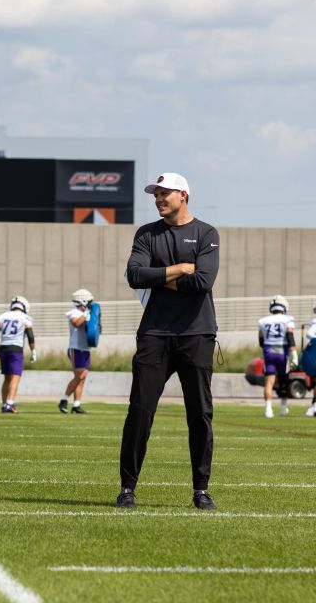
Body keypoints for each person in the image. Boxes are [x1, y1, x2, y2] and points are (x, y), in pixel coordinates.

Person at [119, 171, 219, 511]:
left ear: (184, 196)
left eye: (166, 193)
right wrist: (178, 270)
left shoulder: (206, 233)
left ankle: (201, 490)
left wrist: (160, 278)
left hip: (197, 334)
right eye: (156, 194)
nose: (159, 199)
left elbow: (203, 282)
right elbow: (134, 276)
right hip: (154, 334)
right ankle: (127, 488)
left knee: (200, 415)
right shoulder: (147, 234)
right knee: (140, 412)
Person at [0, 296, 36, 413]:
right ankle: (9, 403)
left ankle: (4, 404)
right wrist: (33, 351)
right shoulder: (25, 318)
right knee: (15, 378)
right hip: (16, 349)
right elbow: (30, 336)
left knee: (7, 378)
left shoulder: (3, 316)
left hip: (3, 348)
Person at [256, 295, 295, 418]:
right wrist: (294, 353)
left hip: (269, 351)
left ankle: (268, 409)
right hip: (282, 351)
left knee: (269, 382)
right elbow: (290, 337)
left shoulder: (263, 321)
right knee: (284, 381)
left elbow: (261, 342)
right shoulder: (288, 319)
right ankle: (283, 408)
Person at [60, 289, 95, 414]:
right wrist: (86, 312)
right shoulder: (73, 312)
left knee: (83, 378)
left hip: (86, 348)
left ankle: (76, 405)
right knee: (79, 375)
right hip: (76, 348)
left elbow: (94, 329)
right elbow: (76, 323)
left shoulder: (89, 313)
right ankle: (64, 400)